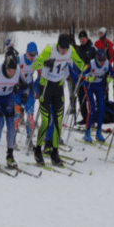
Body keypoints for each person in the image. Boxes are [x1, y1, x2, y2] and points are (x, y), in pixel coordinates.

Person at [31, 34, 85, 166]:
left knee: (58, 121)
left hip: (58, 87)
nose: (63, 51)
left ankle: (55, 152)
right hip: (45, 85)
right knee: (45, 120)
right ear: (58, 45)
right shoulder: (50, 49)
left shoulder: (71, 50)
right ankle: (38, 149)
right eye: (62, 48)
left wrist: (85, 65)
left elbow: (81, 65)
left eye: (66, 48)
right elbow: (35, 65)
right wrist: (44, 62)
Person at [81, 49, 114, 142]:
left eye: (104, 59)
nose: (102, 62)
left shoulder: (106, 63)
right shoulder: (91, 64)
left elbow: (112, 72)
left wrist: (109, 77)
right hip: (89, 86)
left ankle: (98, 132)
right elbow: (82, 74)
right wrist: (87, 78)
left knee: (101, 108)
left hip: (99, 85)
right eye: (100, 59)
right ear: (96, 58)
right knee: (92, 107)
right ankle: (87, 132)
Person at [13, 42, 38, 145]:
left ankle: (29, 138)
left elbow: (41, 75)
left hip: (29, 88)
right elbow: (10, 73)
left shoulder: (36, 60)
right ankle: (12, 138)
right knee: (16, 114)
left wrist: (36, 89)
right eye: (31, 55)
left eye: (34, 55)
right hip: (18, 90)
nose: (32, 57)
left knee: (30, 115)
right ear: (27, 52)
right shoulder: (19, 59)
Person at [76, 30, 97, 125]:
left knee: (90, 99)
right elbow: (75, 63)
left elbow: (97, 62)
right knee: (81, 98)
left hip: (91, 78)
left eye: (84, 38)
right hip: (81, 78)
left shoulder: (92, 48)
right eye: (80, 38)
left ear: (87, 38)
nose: (82, 40)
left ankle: (92, 118)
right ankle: (85, 117)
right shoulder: (78, 50)